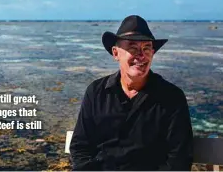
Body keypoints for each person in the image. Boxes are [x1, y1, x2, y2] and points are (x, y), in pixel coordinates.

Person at [70, 15, 193, 171]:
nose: (141, 56)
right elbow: (80, 147)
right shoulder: (96, 92)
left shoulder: (172, 98)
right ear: (116, 53)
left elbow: (179, 159)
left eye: (146, 48)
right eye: (132, 48)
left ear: (153, 53)